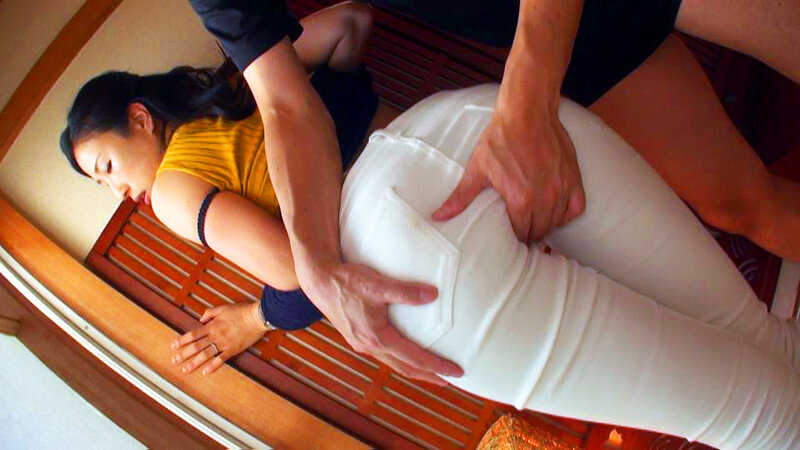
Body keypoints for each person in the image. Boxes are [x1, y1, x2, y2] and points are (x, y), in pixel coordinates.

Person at [61, 4, 800, 446]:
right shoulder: (236, 92)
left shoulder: (173, 189)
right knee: (757, 334)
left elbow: (296, 274)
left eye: (106, 168)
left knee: (763, 421)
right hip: (457, 124)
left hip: (400, 248)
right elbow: (350, 22)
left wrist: (253, 318)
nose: (121, 191)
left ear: (139, 118)